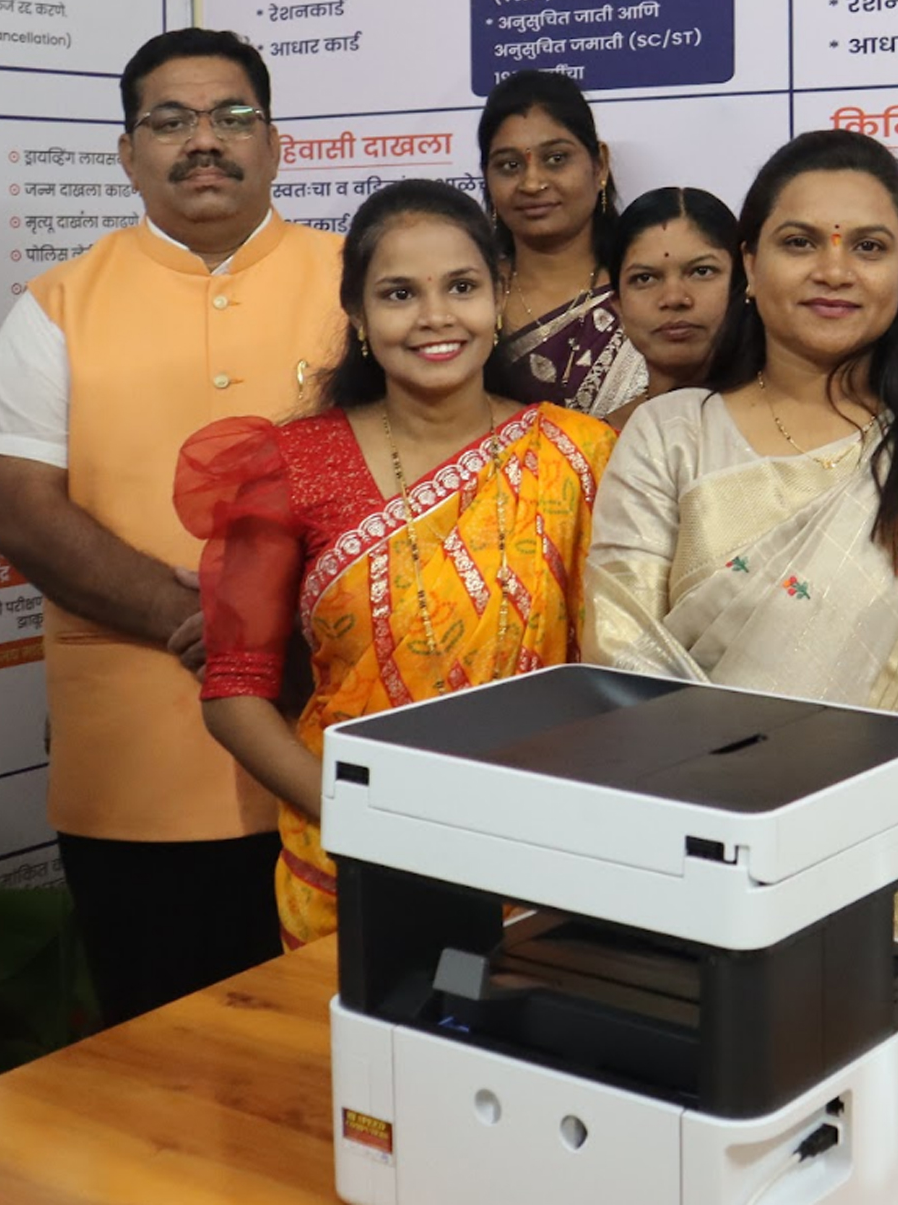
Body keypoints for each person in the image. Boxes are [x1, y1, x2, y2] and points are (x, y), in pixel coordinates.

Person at [585, 129, 898, 951]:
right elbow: (619, 652)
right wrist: (756, 830)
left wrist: (844, 822)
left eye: (868, 247)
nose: (834, 270)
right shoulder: (670, 435)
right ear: (749, 262)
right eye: (799, 242)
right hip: (700, 857)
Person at [0, 28, 345, 1024]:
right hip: (133, 772)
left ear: (276, 143)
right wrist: (212, 627)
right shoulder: (56, 308)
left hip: (337, 748)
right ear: (128, 153)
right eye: (170, 121)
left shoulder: (363, 283)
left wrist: (273, 640)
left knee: (346, 1048)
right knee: (159, 1057)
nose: (203, 141)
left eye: (232, 116)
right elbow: (16, 510)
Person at [180, 181, 616, 947]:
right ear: (357, 313)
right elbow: (234, 689)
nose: (435, 316)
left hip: (539, 854)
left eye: (461, 287)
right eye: (399, 294)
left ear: (497, 296)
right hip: (354, 866)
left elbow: (621, 669)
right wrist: (357, 815)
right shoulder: (292, 464)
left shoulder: (578, 454)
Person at [481, 70, 648, 416]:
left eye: (556, 159)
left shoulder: (647, 288)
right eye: (509, 165)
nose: (532, 183)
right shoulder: (472, 299)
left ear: (599, 165)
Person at [600, 186, 742, 429]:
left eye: (701, 271)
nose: (674, 298)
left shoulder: (792, 424)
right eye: (645, 278)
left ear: (745, 283)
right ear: (618, 306)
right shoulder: (595, 443)